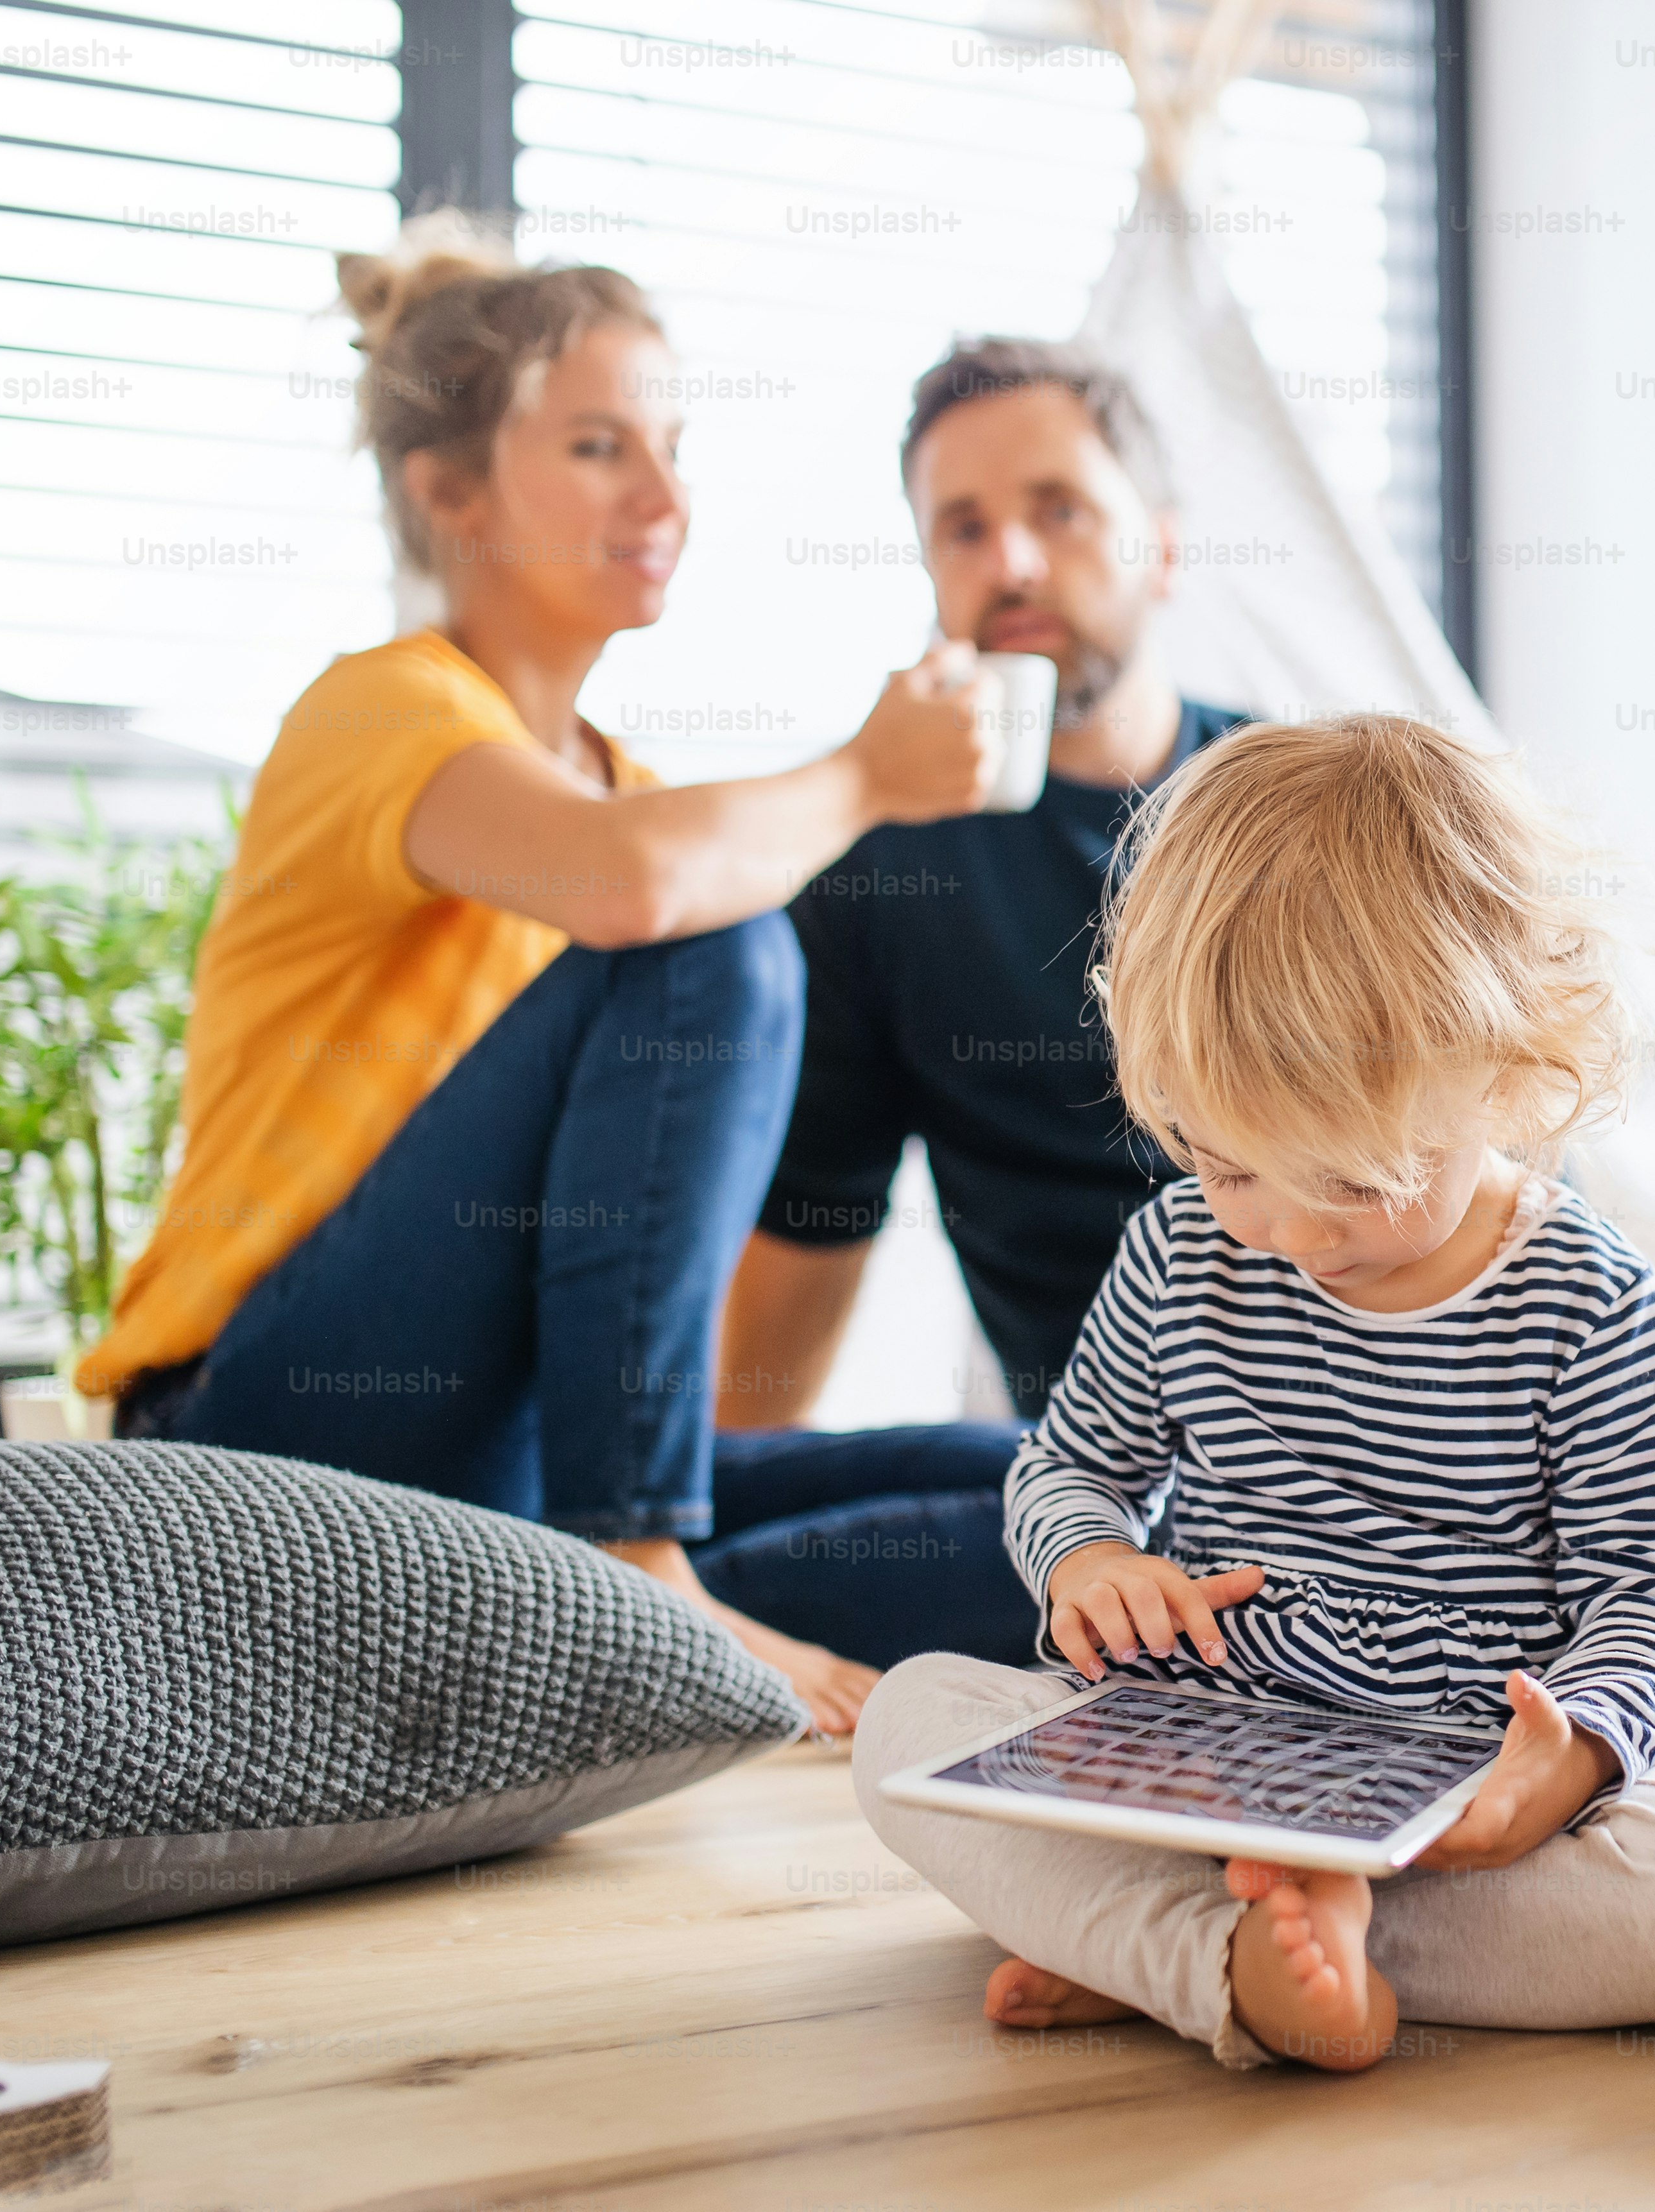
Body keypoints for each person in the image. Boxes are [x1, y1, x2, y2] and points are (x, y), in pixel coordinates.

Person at [716, 338, 1655, 1649]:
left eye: (1058, 508)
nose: (1010, 558)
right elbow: (807, 1230)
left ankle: (1550, 1581)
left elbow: (1490, 1099)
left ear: (1164, 542)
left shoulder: (1311, 799)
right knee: (718, 1550)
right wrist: (701, 1465)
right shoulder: (876, 874)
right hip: (1186, 1446)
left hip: (1476, 1379)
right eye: (961, 528)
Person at [81, 220, 1042, 1735]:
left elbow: (650, 869)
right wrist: (868, 774)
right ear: (448, 493)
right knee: (714, 935)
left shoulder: (624, 792)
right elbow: (642, 883)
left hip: (494, 1462)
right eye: (601, 447)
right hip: (264, 1420)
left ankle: (625, 1584)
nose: (664, 498)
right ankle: (636, 1553)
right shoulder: (381, 710)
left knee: (1054, 1498)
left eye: (673, 447)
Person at [852, 713, 1655, 2071]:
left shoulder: (1583, 1297)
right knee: (911, 1718)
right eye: (1233, 1164)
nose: (1299, 1238)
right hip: (1225, 1733)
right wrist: (1086, 1556)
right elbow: (1064, 1464)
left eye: (1360, 1182)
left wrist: (1579, 1756)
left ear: (1513, 1070)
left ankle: (1173, 1949)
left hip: (1479, 1760)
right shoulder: (1180, 1248)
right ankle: (1233, 1950)